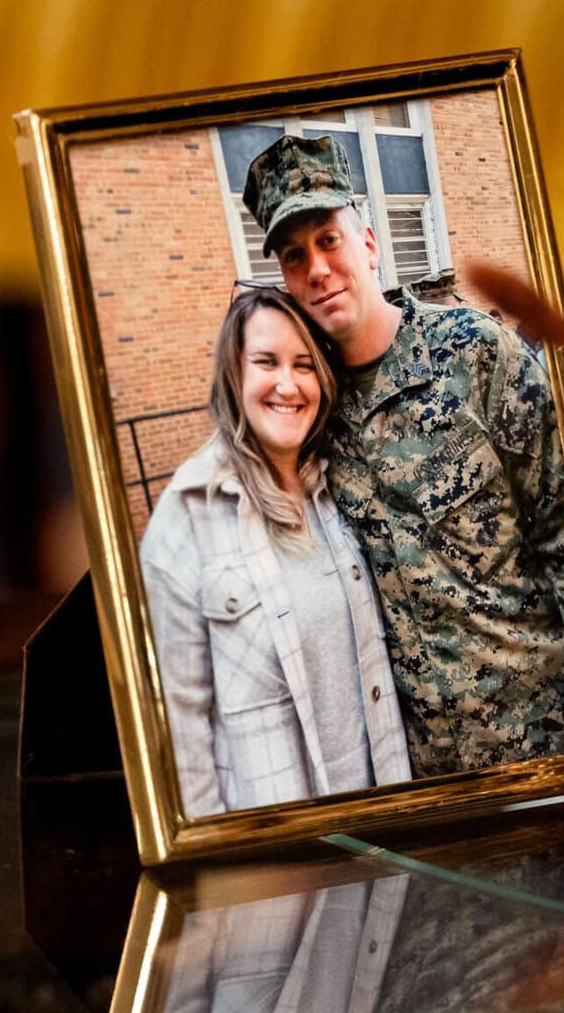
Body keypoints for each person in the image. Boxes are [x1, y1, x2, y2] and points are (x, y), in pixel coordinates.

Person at [242, 134, 564, 778]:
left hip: (541, 739)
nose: (318, 269)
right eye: (295, 256)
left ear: (369, 245)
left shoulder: (476, 353)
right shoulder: (305, 409)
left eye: (329, 239)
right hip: (417, 769)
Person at [140, 286, 410, 817]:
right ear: (234, 374)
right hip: (278, 854)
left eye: (304, 365)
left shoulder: (339, 488)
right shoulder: (187, 516)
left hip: (380, 817)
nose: (287, 384)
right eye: (266, 362)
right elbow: (178, 726)